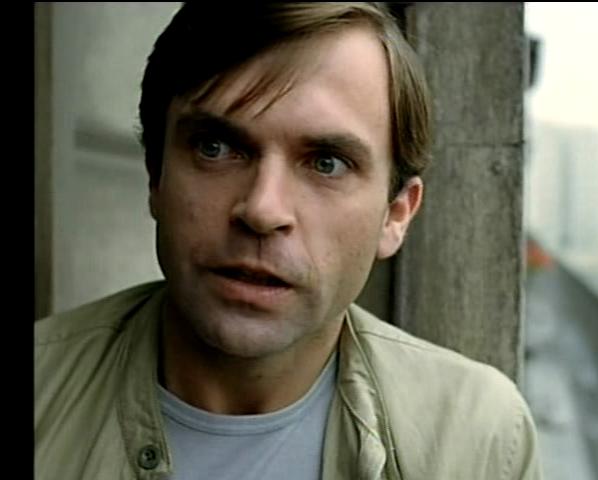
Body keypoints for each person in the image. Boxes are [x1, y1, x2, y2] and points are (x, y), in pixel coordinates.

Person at [35, 3, 541, 479]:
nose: (262, 210)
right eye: (215, 148)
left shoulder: (477, 438)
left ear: (395, 215)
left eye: (326, 163)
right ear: (156, 176)